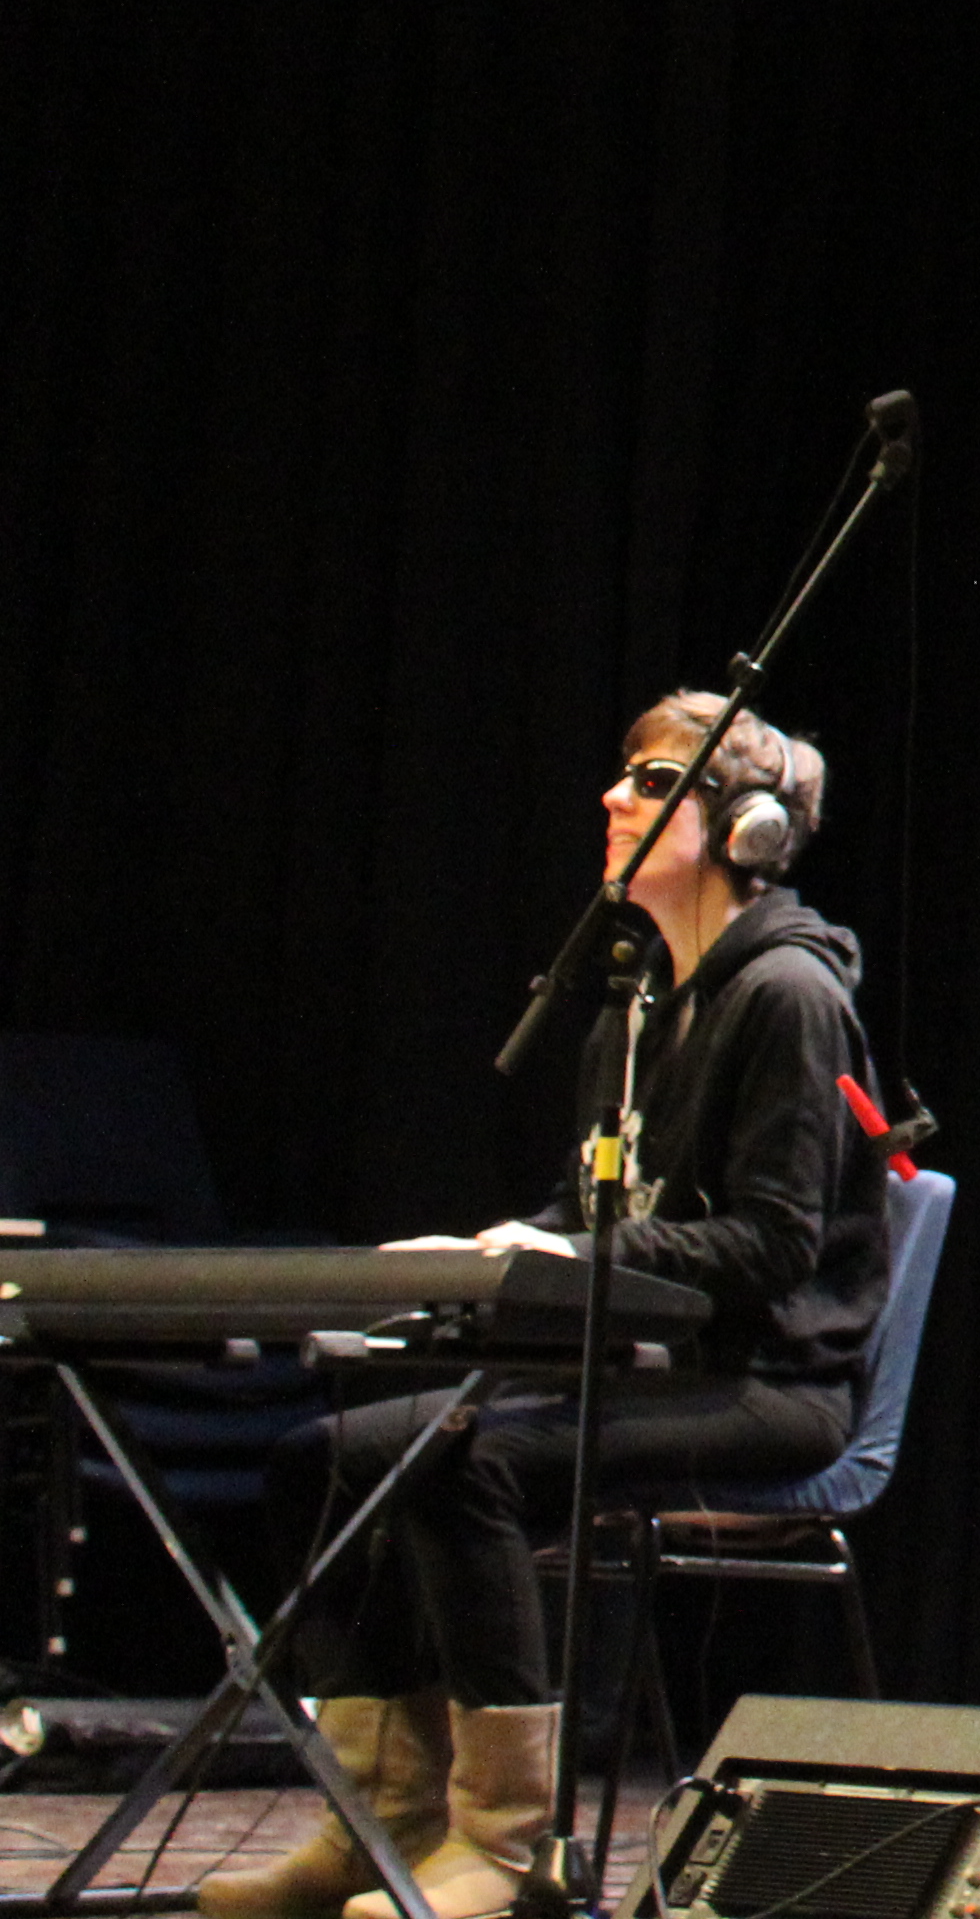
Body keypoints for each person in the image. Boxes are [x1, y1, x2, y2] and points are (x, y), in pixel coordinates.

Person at [229, 697, 893, 1919]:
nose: (610, 800)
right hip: (653, 1367)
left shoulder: (789, 996)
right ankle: (375, 1826)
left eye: (647, 781)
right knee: (323, 1456)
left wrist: (563, 1252)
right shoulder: (633, 1005)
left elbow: (772, 1244)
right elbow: (590, 1215)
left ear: (742, 828)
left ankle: (504, 1849)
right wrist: (505, 1254)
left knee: (461, 1464)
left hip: (773, 1388)